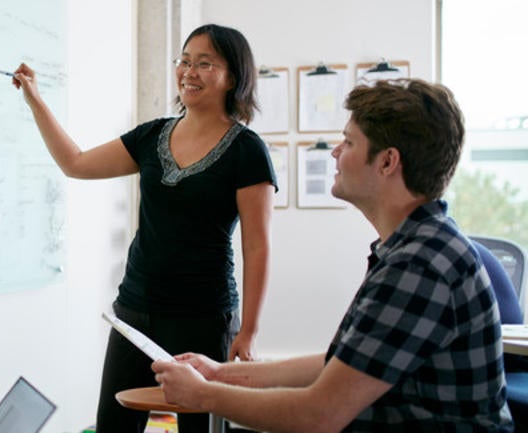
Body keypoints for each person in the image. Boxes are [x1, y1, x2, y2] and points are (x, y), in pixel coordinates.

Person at [152, 79, 514, 432]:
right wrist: (219, 373)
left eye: (349, 141)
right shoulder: (411, 247)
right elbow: (339, 365)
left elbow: (319, 416)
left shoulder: (420, 264)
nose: (336, 152)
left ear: (388, 162)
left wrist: (204, 395)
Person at [9, 23, 275, 433]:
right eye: (184, 61)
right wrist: (35, 100)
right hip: (134, 313)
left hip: (204, 318)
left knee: (199, 428)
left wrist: (249, 331)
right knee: (114, 425)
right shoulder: (152, 136)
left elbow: (257, 247)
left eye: (205, 63)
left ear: (233, 77)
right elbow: (75, 163)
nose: (189, 71)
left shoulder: (247, 150)